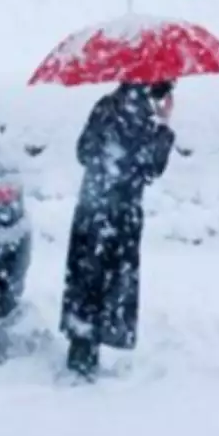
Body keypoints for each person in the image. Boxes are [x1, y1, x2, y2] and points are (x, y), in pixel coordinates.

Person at [60, 80, 176, 380]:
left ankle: (80, 346)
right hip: (121, 213)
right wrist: (164, 125)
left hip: (91, 208)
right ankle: (91, 346)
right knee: (111, 280)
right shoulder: (145, 118)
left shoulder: (105, 105)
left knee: (86, 276)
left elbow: (83, 152)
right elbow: (151, 167)